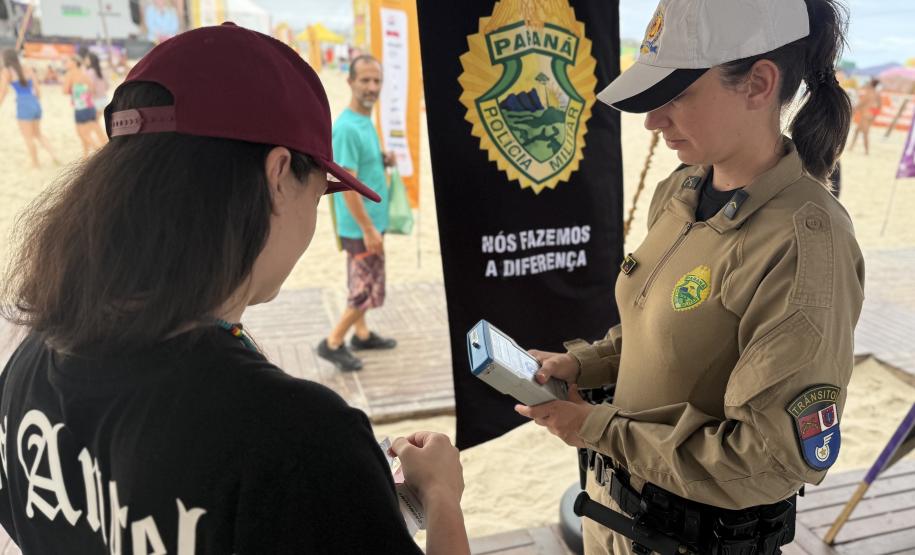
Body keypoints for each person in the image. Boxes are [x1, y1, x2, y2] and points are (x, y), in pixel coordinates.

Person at [0, 23, 469, 555]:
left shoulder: (29, 364)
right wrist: (441, 497)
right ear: (278, 174)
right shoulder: (301, 440)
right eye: (321, 192)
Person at [516, 1, 864, 554]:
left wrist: (596, 428)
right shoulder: (681, 191)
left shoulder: (804, 244)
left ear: (759, 84)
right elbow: (662, 334)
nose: (652, 120)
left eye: (676, 94)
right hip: (610, 510)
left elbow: (767, 460)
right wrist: (584, 363)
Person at [317, 54, 398, 372]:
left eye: (376, 80)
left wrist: (381, 159)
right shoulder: (347, 128)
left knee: (363, 281)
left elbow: (360, 166)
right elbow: (346, 185)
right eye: (364, 80)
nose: (371, 87)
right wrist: (367, 228)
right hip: (360, 224)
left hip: (371, 220)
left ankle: (361, 335)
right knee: (365, 288)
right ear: (350, 82)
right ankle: (333, 342)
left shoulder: (364, 121)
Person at [0, 49, 60, 168]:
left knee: (28, 137)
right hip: (35, 103)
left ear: (5, 58)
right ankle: (55, 157)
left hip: (23, 104)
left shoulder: (6, 71)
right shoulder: (27, 68)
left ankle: (35, 163)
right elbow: (37, 91)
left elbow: (3, 91)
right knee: (38, 134)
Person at [62, 55, 106, 156]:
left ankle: (100, 154)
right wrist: (82, 91)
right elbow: (92, 90)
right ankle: (85, 157)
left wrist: (75, 90)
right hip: (90, 106)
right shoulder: (83, 74)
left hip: (81, 108)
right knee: (93, 133)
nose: (66, 63)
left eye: (67, 61)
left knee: (83, 135)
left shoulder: (70, 74)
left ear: (74, 63)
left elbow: (65, 91)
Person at [849, 78, 881, 155]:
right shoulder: (877, 93)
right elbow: (879, 106)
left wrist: (854, 109)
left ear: (871, 84)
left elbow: (862, 103)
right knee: (857, 131)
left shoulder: (869, 92)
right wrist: (874, 116)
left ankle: (867, 151)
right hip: (870, 115)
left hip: (866, 115)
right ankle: (851, 147)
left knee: (865, 133)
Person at [83, 51, 109, 120]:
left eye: (87, 59)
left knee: (93, 122)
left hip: (94, 100)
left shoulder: (90, 72)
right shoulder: (102, 71)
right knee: (96, 121)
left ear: (91, 60)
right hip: (104, 99)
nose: (85, 61)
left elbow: (91, 88)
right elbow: (107, 86)